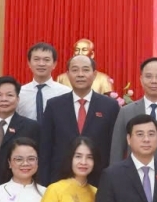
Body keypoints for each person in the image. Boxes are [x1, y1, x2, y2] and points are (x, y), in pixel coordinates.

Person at [39, 55, 120, 186]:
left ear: (94, 74)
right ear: (68, 74)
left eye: (85, 70)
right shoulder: (54, 105)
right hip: (60, 179)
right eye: (75, 70)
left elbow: (114, 147)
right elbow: (45, 147)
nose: (80, 74)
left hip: (99, 181)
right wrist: (43, 184)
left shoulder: (110, 106)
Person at [18, 42, 71, 122]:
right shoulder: (20, 93)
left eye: (46, 60)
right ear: (29, 63)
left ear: (54, 64)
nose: (41, 64)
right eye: (36, 59)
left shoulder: (66, 93)